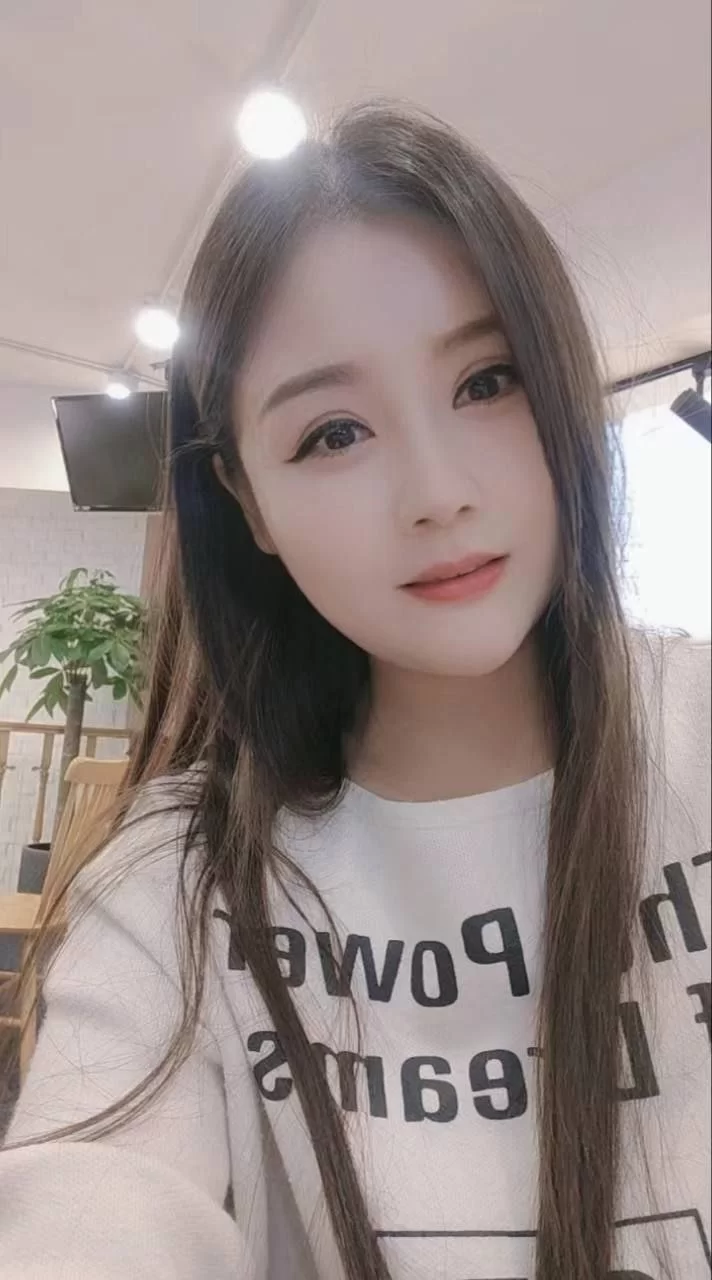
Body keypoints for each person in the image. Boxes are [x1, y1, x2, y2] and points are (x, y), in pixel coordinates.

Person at [0, 103, 709, 1280]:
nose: (437, 491)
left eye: (486, 379)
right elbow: (92, 1195)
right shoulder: (179, 882)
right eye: (333, 433)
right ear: (248, 501)